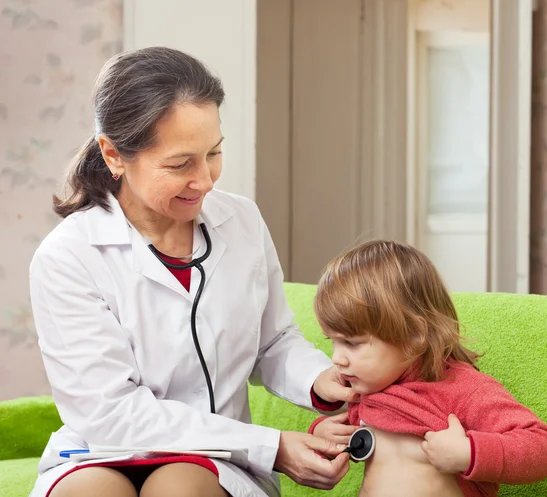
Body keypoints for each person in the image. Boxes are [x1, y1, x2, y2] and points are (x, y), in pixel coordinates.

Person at [28, 46, 355, 497]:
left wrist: (320, 380)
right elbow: (110, 413)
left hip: (218, 458)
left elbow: (274, 341)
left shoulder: (241, 221)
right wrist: (271, 446)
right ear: (114, 154)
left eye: (214, 153)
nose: (205, 180)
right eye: (180, 164)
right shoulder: (67, 257)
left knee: (178, 488)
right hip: (101, 451)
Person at [308, 241, 547, 497]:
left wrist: (470, 453)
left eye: (352, 343)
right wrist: (322, 435)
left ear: (415, 335)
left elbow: (543, 448)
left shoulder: (463, 389)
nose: (337, 358)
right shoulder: (367, 391)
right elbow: (340, 445)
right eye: (334, 342)